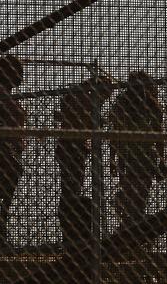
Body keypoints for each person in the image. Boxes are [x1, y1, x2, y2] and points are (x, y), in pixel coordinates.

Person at [110, 71, 167, 230]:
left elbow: (158, 134)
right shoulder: (123, 103)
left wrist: (162, 160)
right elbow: (115, 133)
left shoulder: (150, 104)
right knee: (131, 194)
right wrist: (112, 158)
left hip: (142, 156)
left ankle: (131, 227)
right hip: (129, 155)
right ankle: (131, 226)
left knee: (139, 196)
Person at [0, 55, 26, 248]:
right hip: (5, 147)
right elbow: (0, 119)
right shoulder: (0, 93)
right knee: (1, 191)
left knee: (1, 191)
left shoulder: (0, 93)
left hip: (8, 146)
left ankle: (0, 235)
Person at [55, 91, 93, 244]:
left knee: (71, 192)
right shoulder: (76, 116)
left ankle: (71, 235)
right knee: (70, 192)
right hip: (72, 153)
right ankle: (72, 235)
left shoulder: (73, 116)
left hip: (72, 152)